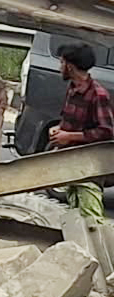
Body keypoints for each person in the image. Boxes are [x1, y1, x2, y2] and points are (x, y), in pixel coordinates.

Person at [51, 43, 112, 219]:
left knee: (91, 217)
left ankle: (97, 246)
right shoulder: (73, 89)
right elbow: (70, 121)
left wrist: (69, 136)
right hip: (71, 162)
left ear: (70, 66)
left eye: (61, 63)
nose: (59, 67)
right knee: (75, 214)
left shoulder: (98, 95)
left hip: (90, 167)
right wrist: (58, 130)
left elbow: (106, 132)